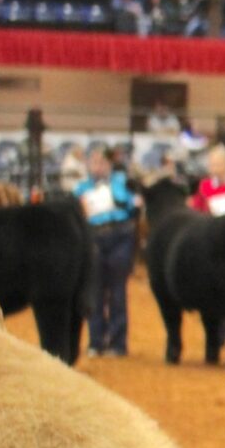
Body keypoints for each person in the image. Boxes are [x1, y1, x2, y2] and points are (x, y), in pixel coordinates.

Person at [73, 148, 138, 357]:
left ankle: (118, 344)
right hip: (93, 238)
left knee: (118, 292)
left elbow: (132, 208)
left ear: (109, 165)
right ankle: (96, 342)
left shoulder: (121, 183)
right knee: (95, 291)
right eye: (95, 162)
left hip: (120, 235)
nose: (98, 167)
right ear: (89, 165)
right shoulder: (81, 188)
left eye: (102, 162)